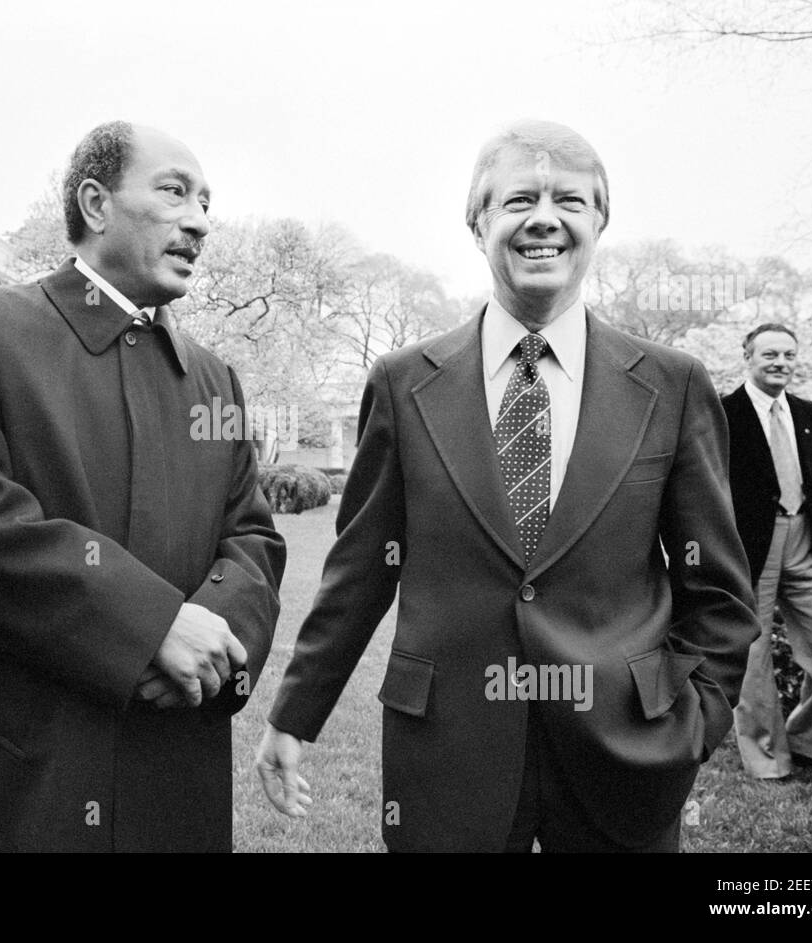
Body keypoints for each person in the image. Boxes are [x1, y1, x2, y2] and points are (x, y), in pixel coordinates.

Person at [255, 120, 759, 852]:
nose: (545, 217)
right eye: (520, 198)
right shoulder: (402, 384)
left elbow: (718, 593)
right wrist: (295, 714)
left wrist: (694, 721)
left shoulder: (672, 385)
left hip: (626, 754)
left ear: (599, 222)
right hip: (447, 756)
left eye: (571, 201)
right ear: (479, 221)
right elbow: (360, 571)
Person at [0, 121, 285, 852]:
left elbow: (252, 537)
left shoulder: (215, 379)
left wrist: (212, 641)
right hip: (11, 764)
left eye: (208, 204)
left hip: (172, 757)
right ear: (95, 204)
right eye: (175, 192)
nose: (199, 221)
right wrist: (150, 626)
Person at [724, 324, 812, 783]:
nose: (779, 362)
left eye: (788, 354)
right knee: (753, 651)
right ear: (747, 356)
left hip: (804, 538)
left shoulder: (807, 412)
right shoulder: (724, 412)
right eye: (769, 354)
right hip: (751, 547)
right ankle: (766, 758)